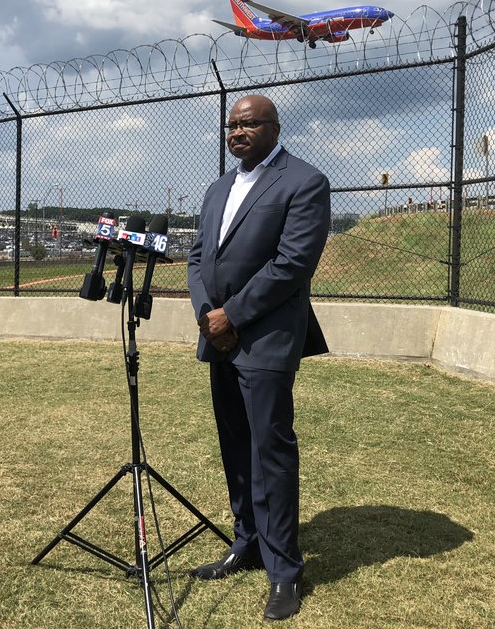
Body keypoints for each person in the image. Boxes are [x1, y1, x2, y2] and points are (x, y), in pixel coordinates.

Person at [187, 94, 331, 621]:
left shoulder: (304, 182)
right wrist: (208, 314)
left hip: (266, 338)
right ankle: (246, 541)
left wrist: (234, 316)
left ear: (273, 127)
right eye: (232, 125)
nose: (238, 132)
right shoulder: (218, 186)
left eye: (249, 124)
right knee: (234, 443)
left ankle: (285, 572)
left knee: (269, 450)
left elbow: (293, 264)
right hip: (217, 333)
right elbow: (198, 254)